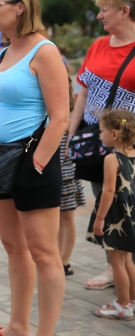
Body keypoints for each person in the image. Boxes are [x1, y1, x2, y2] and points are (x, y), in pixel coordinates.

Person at [0, 0, 70, 336]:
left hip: (32, 164)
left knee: (44, 254)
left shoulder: (44, 51)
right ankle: (18, 327)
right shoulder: (5, 50)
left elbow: (60, 116)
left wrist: (37, 165)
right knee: (13, 247)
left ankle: (43, 333)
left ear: (20, 6)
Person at [68, 0, 135, 290]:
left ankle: (125, 270)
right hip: (98, 141)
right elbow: (82, 94)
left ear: (125, 11)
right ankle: (114, 268)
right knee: (106, 203)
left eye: (104, 9)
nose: (98, 16)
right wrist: (70, 132)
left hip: (130, 147)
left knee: (129, 205)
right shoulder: (98, 45)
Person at [86, 108, 135, 320]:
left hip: (116, 214)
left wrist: (99, 218)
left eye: (101, 130)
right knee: (128, 261)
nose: (99, 134)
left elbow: (108, 191)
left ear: (114, 134)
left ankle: (122, 305)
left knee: (116, 262)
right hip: (131, 211)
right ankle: (132, 301)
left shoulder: (111, 159)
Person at [59, 77, 86, 276]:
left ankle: (65, 260)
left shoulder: (69, 118)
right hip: (49, 175)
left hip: (66, 175)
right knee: (55, 221)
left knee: (66, 219)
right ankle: (57, 258)